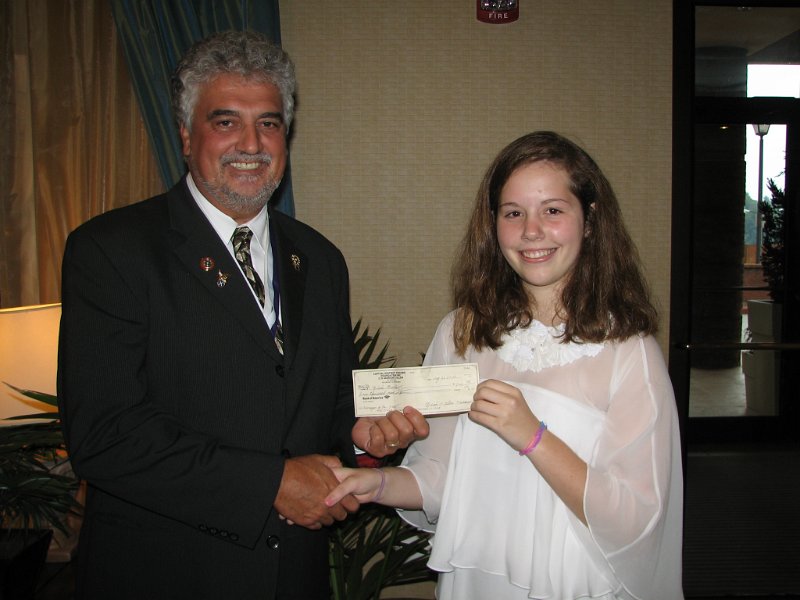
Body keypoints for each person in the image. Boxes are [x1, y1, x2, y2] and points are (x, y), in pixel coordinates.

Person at [58, 30, 359, 599]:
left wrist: (364, 438)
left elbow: (334, 403)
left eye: (269, 123)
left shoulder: (321, 260)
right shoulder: (111, 250)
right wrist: (269, 484)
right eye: (225, 122)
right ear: (184, 135)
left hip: (294, 575)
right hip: (164, 573)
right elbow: (104, 434)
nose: (251, 143)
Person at [341, 131, 684, 599]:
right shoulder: (461, 332)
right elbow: (441, 476)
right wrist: (375, 483)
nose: (531, 231)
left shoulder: (628, 350)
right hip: (478, 579)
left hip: (572, 583)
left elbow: (636, 518)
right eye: (513, 213)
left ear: (589, 220)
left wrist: (533, 436)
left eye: (553, 210)